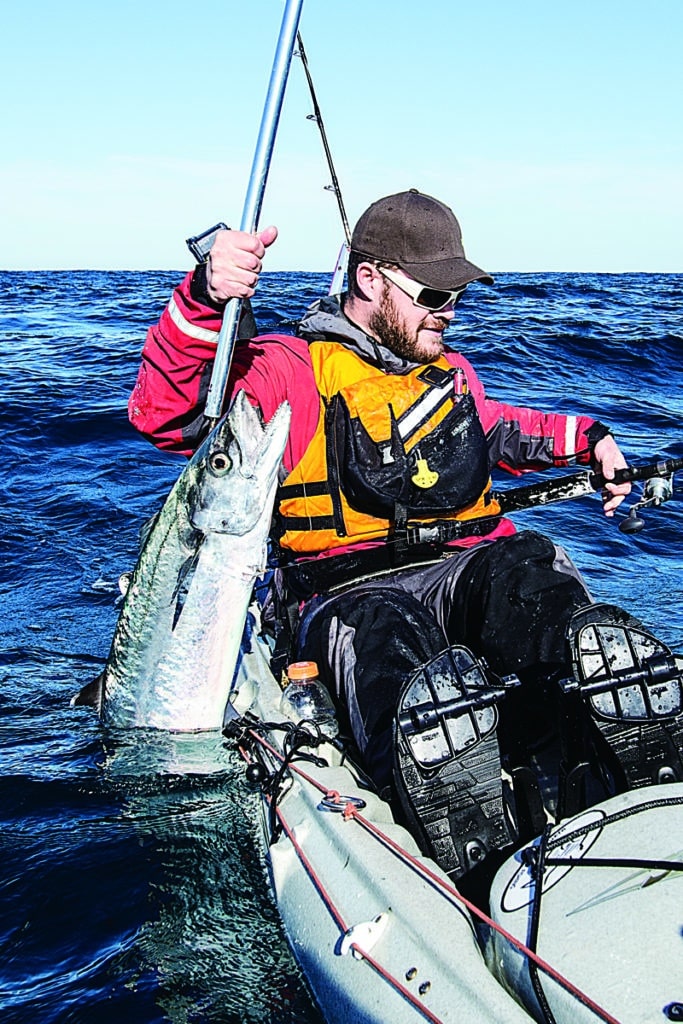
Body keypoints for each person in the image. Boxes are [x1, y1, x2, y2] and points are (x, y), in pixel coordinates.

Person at [129, 189, 683, 882]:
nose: (447, 314)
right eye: (432, 295)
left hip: (464, 566)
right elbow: (168, 415)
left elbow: (498, 428)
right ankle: (453, 807)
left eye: (455, 298)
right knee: (387, 639)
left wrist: (588, 438)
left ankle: (614, 736)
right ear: (369, 279)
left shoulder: (448, 374)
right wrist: (205, 301)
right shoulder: (288, 369)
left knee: (530, 578)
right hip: (345, 591)